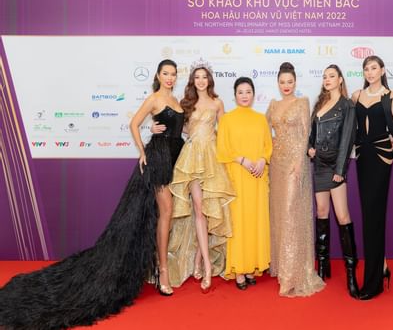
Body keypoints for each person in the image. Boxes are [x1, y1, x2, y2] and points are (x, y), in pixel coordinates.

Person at [0, 59, 184, 328]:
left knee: (162, 214)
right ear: (158, 75)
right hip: (157, 159)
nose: (169, 77)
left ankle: (158, 269)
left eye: (173, 74)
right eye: (166, 73)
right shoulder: (155, 98)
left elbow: (179, 130)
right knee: (166, 213)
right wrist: (144, 152)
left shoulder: (175, 98)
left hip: (172, 159)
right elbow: (134, 124)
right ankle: (163, 274)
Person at [158, 63, 234, 293]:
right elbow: (175, 127)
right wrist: (154, 129)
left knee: (209, 211)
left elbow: (226, 132)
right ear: (193, 81)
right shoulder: (186, 104)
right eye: (197, 77)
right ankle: (209, 267)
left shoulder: (217, 103)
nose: (201, 80)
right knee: (199, 209)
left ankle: (200, 260)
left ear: (209, 80)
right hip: (191, 159)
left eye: (204, 77)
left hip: (212, 159)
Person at [266, 62, 325, 297]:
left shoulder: (302, 103)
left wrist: (300, 162)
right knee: (280, 213)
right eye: (282, 82)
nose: (286, 86)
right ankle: (281, 267)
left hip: (294, 163)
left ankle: (293, 275)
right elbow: (263, 131)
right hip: (276, 164)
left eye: (290, 82)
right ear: (278, 83)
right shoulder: (273, 105)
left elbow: (305, 133)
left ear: (296, 82)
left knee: (291, 213)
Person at [350, 55, 393, 300]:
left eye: (373, 68)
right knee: (368, 215)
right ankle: (380, 267)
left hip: (381, 159)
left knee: (375, 216)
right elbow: (352, 129)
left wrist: (385, 104)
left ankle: (373, 283)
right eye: (366, 69)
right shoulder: (357, 95)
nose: (370, 72)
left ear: (382, 69)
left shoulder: (392, 96)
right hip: (363, 157)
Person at [216, 77, 272, 290]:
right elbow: (222, 149)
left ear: (253, 94)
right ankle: (239, 270)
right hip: (237, 177)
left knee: (255, 220)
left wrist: (261, 160)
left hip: (257, 177)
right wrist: (243, 160)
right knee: (239, 222)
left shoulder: (260, 119)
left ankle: (252, 267)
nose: (245, 95)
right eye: (241, 92)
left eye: (248, 91)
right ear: (235, 95)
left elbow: (268, 145)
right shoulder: (227, 120)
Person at [308, 64, 358, 298]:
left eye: (331, 76)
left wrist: (340, 169)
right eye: (324, 76)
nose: (327, 80)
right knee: (321, 211)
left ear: (340, 79)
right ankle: (322, 265)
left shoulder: (347, 105)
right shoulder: (319, 105)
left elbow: (347, 138)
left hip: (335, 168)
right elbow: (311, 134)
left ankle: (350, 271)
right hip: (318, 166)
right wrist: (309, 147)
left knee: (343, 215)